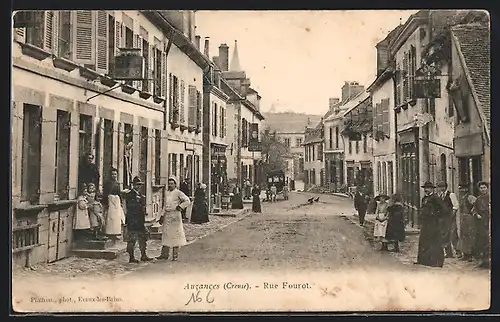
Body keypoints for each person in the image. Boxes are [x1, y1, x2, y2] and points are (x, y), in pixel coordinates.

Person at [156, 176, 191, 261]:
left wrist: (180, 206)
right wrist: (162, 215)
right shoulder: (167, 193)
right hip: (167, 216)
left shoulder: (179, 193)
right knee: (166, 234)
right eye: (169, 184)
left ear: (175, 184)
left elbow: (187, 201)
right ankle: (164, 254)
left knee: (175, 235)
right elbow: (164, 205)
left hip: (175, 216)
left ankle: (175, 255)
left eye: (172, 184)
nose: (170, 185)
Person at [416, 181, 446, 267]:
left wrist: (435, 216)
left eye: (428, 188)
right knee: (424, 241)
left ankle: (435, 262)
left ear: (432, 189)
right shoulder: (424, 198)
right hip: (425, 222)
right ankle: (423, 260)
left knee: (434, 242)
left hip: (433, 223)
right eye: (425, 188)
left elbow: (443, 209)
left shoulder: (436, 198)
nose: (426, 190)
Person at [123, 176, 153, 263]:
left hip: (140, 220)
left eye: (139, 185)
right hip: (132, 220)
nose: (138, 186)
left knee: (143, 238)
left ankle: (143, 255)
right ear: (133, 185)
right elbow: (129, 207)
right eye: (137, 185)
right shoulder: (129, 195)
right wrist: (136, 201)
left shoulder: (140, 195)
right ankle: (131, 257)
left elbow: (142, 207)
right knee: (132, 239)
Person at [436, 182, 459, 258]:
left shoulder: (451, 195)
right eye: (440, 187)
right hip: (442, 218)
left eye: (443, 187)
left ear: (446, 187)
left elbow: (455, 206)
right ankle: (448, 253)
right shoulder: (439, 196)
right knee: (444, 235)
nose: (441, 188)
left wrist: (451, 216)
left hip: (450, 218)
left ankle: (458, 251)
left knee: (453, 235)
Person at [458, 184, 477, 262]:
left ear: (466, 189)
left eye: (463, 189)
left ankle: (470, 255)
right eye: (460, 189)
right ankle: (465, 254)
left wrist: (473, 211)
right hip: (463, 217)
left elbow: (476, 204)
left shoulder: (470, 197)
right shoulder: (461, 197)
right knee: (463, 236)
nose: (461, 191)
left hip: (469, 218)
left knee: (469, 235)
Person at [473, 181, 490, 268]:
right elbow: (474, 210)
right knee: (482, 240)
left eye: (484, 187)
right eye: (481, 188)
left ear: (487, 188)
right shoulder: (478, 199)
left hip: (489, 220)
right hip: (482, 222)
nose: (483, 189)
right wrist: (477, 214)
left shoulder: (491, 197)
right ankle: (483, 261)